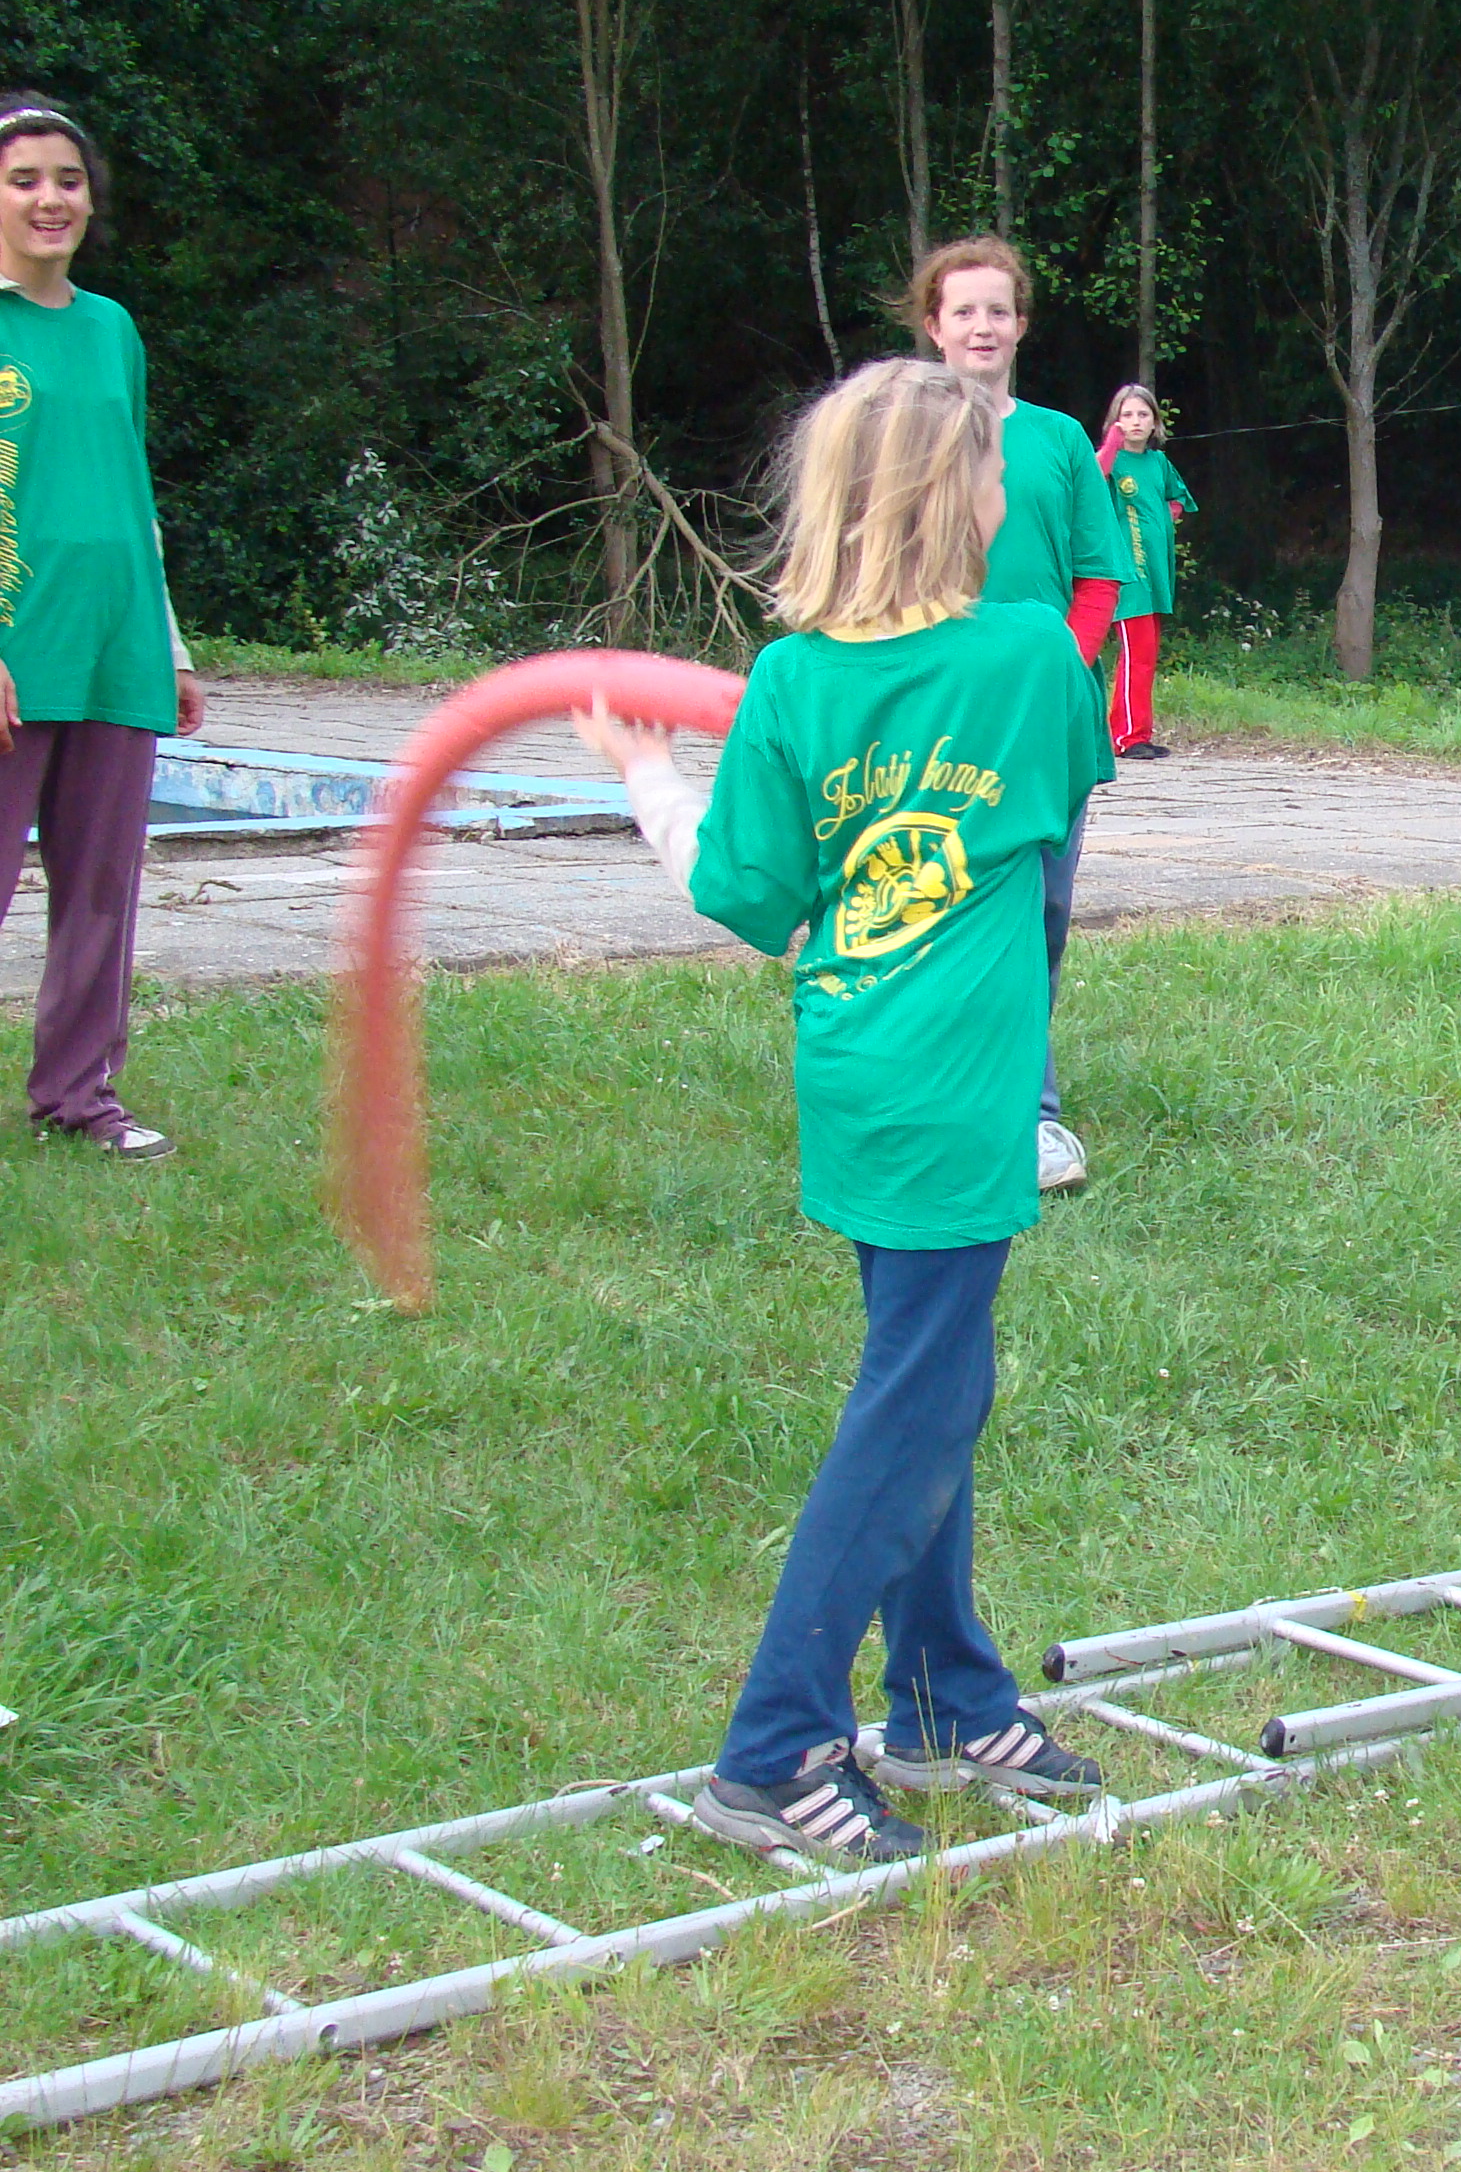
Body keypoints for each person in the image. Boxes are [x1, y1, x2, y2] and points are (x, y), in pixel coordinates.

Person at [575, 357, 1109, 1864]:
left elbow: (745, 893)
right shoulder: (1028, 658)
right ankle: (773, 1749)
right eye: (992, 472)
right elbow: (1059, 791)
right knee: (918, 1404)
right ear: (954, 499)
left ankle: (945, 1698)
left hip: (860, 1073)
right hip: (956, 1090)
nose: (1009, 493)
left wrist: (649, 774)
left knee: (931, 1377)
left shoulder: (796, 681)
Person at [0, 95, 206, 1161]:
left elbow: (133, 493)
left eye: (68, 180)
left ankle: (79, 1099)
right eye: (24, 179)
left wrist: (168, 646)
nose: (51, 199)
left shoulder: (113, 329)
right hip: (15, 647)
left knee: (99, 894)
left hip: (116, 646)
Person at [908, 234, 1123, 1194]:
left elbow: (1100, 578)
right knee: (940, 900)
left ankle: (1030, 1116)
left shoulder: (1061, 440)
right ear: (935, 326)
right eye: (964, 310)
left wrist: (1050, 676)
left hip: (1047, 723)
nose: (983, 326)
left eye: (999, 309)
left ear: (1022, 324)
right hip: (937, 713)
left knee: (1041, 908)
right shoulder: (900, 435)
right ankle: (945, 1090)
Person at [1099, 383, 1192, 762]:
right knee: (1135, 653)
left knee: (1146, 655)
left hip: (1155, 575)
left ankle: (1135, 731)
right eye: (1127, 415)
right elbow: (1092, 481)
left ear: (1155, 422)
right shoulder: (1112, 463)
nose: (1136, 422)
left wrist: (1168, 517)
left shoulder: (1158, 463)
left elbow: (1178, 495)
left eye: (1143, 414)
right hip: (1128, 576)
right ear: (1116, 421)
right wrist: (1111, 444)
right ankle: (1126, 737)